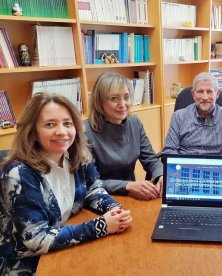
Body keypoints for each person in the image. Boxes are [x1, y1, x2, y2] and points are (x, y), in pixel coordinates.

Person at [0, 93, 132, 275]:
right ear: (33, 131)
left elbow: (92, 189)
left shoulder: (78, 153)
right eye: (50, 124)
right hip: (26, 262)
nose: (62, 131)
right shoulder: (19, 174)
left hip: (65, 245)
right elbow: (37, 239)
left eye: (67, 123)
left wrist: (113, 209)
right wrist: (101, 226)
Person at [85, 72, 163, 200]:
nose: (122, 104)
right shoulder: (85, 132)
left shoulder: (134, 123)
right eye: (114, 98)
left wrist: (161, 175)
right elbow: (91, 182)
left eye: (126, 97)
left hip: (132, 196)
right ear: (99, 102)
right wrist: (127, 186)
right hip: (101, 198)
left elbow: (151, 160)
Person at [163, 72, 222, 156]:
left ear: (217, 94)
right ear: (193, 95)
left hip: (216, 167)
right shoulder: (178, 117)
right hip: (185, 167)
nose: (205, 97)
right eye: (200, 92)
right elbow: (170, 150)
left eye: (209, 92)